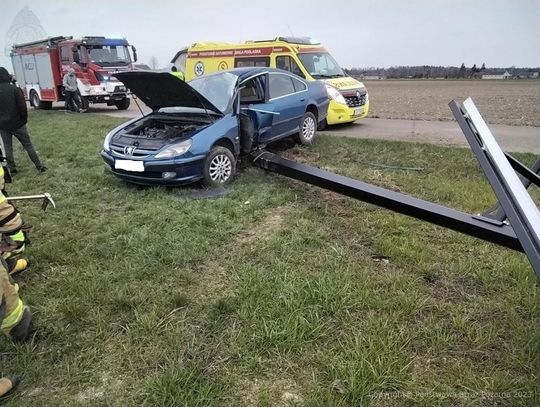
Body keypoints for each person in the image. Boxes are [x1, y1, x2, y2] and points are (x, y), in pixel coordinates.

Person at [0, 67, 47, 174]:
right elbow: (22, 107)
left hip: (3, 125)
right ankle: (39, 166)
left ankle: (12, 168)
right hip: (18, 123)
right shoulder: (15, 90)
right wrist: (23, 120)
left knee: (7, 148)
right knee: (28, 145)